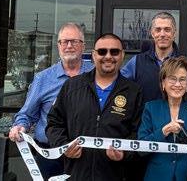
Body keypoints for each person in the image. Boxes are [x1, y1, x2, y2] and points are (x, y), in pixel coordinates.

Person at [46, 33, 143, 179]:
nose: (108, 56)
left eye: (114, 52)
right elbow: (54, 123)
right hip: (76, 174)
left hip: (115, 175)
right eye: (102, 51)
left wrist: (124, 153)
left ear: (122, 55)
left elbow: (139, 132)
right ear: (93, 55)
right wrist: (64, 146)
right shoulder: (72, 86)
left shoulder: (134, 92)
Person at [8, 23, 93, 178]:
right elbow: (27, 114)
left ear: (83, 46)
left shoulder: (96, 75)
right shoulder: (43, 79)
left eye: (74, 41)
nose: (69, 46)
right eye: (64, 42)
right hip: (50, 156)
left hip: (87, 156)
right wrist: (20, 126)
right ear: (58, 46)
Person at [139, 56, 187, 181]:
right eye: (172, 79)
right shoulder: (151, 108)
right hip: (157, 176)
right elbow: (141, 148)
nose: (177, 84)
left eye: (182, 79)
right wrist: (164, 131)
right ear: (163, 83)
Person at [122, 11, 187, 105]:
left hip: (179, 115)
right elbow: (117, 86)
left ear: (174, 33)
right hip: (145, 115)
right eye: (158, 30)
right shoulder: (136, 62)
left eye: (167, 30)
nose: (162, 34)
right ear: (152, 33)